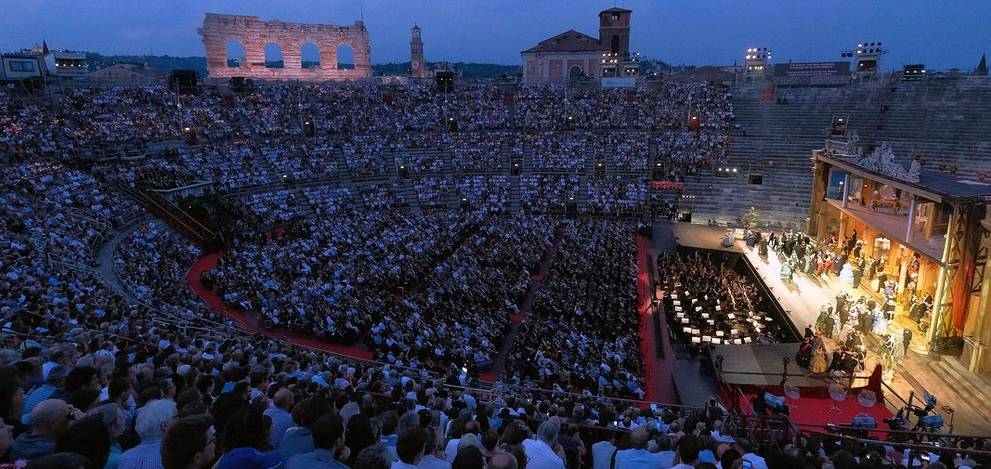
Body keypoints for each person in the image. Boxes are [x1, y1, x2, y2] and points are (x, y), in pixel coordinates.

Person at [11, 399, 79, 461]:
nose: (70, 419)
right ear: (54, 423)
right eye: (68, 416)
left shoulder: (21, 438)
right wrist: (81, 424)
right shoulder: (52, 450)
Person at [118, 399, 177, 469]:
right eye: (175, 417)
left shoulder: (124, 458)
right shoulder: (174, 457)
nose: (179, 420)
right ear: (164, 425)